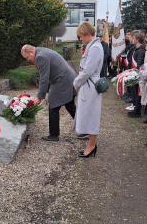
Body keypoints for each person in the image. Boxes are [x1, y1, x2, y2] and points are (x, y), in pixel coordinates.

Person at [21, 44, 77, 142]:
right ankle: (84, 128)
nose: (28, 60)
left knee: (53, 105)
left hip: (62, 80)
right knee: (69, 105)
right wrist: (44, 92)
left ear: (30, 52)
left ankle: (54, 135)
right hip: (68, 78)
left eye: (27, 57)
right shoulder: (41, 51)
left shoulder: (40, 57)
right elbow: (46, 76)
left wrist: (39, 97)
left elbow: (44, 78)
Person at [73, 22, 104, 158]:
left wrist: (76, 82)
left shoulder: (95, 48)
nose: (80, 39)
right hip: (88, 85)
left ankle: (92, 145)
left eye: (81, 36)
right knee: (88, 114)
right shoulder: (92, 46)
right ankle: (91, 144)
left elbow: (87, 71)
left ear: (87, 34)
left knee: (92, 115)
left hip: (90, 85)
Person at [128, 30, 146, 118]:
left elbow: (139, 64)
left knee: (137, 93)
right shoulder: (136, 49)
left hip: (138, 75)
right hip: (134, 73)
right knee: (134, 93)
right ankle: (134, 108)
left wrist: (135, 72)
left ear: (137, 39)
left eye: (133, 38)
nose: (132, 39)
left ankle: (137, 111)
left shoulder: (141, 51)